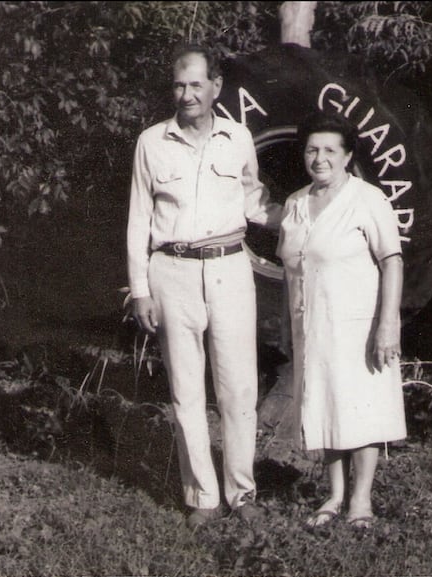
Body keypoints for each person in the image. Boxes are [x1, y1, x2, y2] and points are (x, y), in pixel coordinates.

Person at [126, 45, 282, 530]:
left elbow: (255, 200)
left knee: (239, 387)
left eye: (197, 85)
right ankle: (202, 497)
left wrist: (305, 217)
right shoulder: (151, 142)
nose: (187, 94)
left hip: (230, 268)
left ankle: (242, 492)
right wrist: (140, 289)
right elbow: (138, 220)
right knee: (186, 390)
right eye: (179, 85)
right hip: (171, 272)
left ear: (216, 87)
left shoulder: (238, 138)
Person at [277, 111, 407, 530]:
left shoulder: (368, 199)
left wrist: (388, 324)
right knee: (327, 405)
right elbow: (290, 270)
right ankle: (333, 495)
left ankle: (361, 501)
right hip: (311, 326)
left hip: (358, 324)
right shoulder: (296, 204)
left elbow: (392, 261)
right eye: (312, 149)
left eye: (330, 150)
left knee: (362, 408)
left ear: (348, 156)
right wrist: (285, 323)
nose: (320, 158)